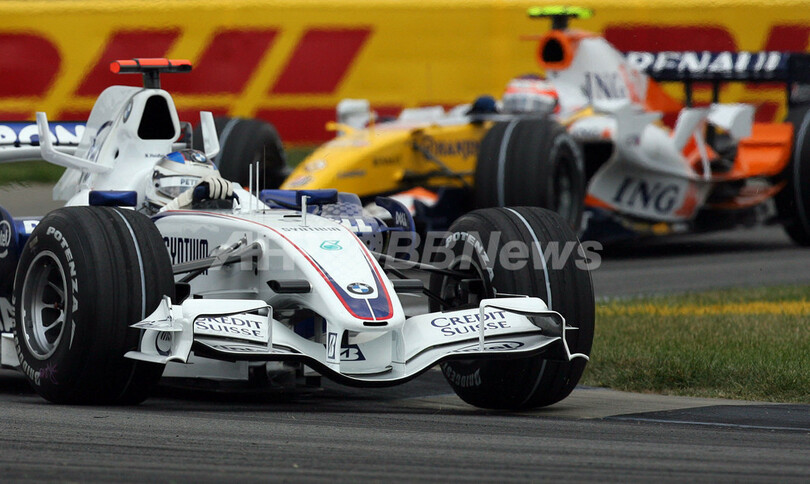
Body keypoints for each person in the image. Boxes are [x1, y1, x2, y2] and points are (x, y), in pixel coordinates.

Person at [142, 149, 234, 214]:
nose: (183, 193)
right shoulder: (142, 225)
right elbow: (156, 223)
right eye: (176, 189)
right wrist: (181, 202)